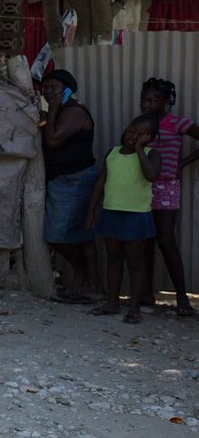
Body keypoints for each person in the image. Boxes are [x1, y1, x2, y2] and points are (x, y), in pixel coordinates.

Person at [86, 114, 162, 324]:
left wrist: (139, 150)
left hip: (136, 216)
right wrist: (91, 211)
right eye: (131, 131)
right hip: (111, 212)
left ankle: (134, 307)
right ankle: (112, 302)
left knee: (136, 262)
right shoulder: (113, 153)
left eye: (140, 135)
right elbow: (101, 183)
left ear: (150, 138)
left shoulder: (152, 154)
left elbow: (151, 176)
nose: (133, 136)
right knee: (113, 258)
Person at [137, 77, 198, 316]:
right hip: (141, 186)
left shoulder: (176, 123)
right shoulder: (141, 124)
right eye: (144, 99)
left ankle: (182, 298)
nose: (146, 104)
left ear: (165, 102)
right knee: (144, 241)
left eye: (152, 100)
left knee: (165, 239)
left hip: (166, 187)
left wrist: (182, 163)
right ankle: (145, 294)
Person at [41, 69, 101, 302]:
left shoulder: (74, 112)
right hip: (62, 180)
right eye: (45, 88)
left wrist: (53, 110)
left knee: (61, 235)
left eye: (53, 87)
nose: (47, 92)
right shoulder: (59, 112)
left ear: (67, 90)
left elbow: (54, 139)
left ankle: (86, 279)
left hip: (77, 180)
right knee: (78, 236)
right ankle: (88, 283)